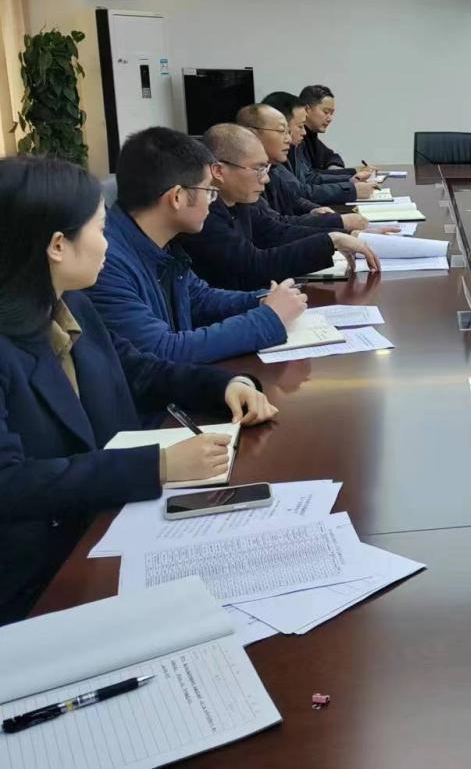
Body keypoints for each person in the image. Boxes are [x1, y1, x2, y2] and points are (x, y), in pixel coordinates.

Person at [0, 155, 278, 623]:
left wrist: (225, 384)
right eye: (99, 229)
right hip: (44, 581)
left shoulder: (72, 304)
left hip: (111, 527)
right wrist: (157, 465)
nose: (108, 244)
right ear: (57, 246)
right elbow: (9, 483)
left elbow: (138, 370)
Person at [87, 127, 307, 363]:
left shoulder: (158, 240)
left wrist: (262, 299)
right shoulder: (105, 263)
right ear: (177, 197)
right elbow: (162, 350)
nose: (212, 201)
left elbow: (199, 298)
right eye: (209, 191)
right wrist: (268, 318)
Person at [180, 124, 381, 290]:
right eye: (258, 169)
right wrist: (331, 240)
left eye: (266, 168)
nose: (266, 178)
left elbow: (276, 232)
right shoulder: (202, 214)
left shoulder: (239, 200)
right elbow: (253, 266)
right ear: (219, 171)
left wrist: (342, 235)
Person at [237, 103, 363, 231]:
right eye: (281, 131)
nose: (288, 139)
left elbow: (292, 199)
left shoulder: (273, 167)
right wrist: (336, 226)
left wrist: (314, 209)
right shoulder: (244, 176)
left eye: (288, 132)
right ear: (252, 134)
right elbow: (272, 228)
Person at [263, 92, 374, 206]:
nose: (304, 132)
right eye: (325, 112)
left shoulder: (296, 146)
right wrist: (350, 190)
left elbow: (308, 178)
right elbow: (300, 193)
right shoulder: (270, 162)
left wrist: (351, 179)